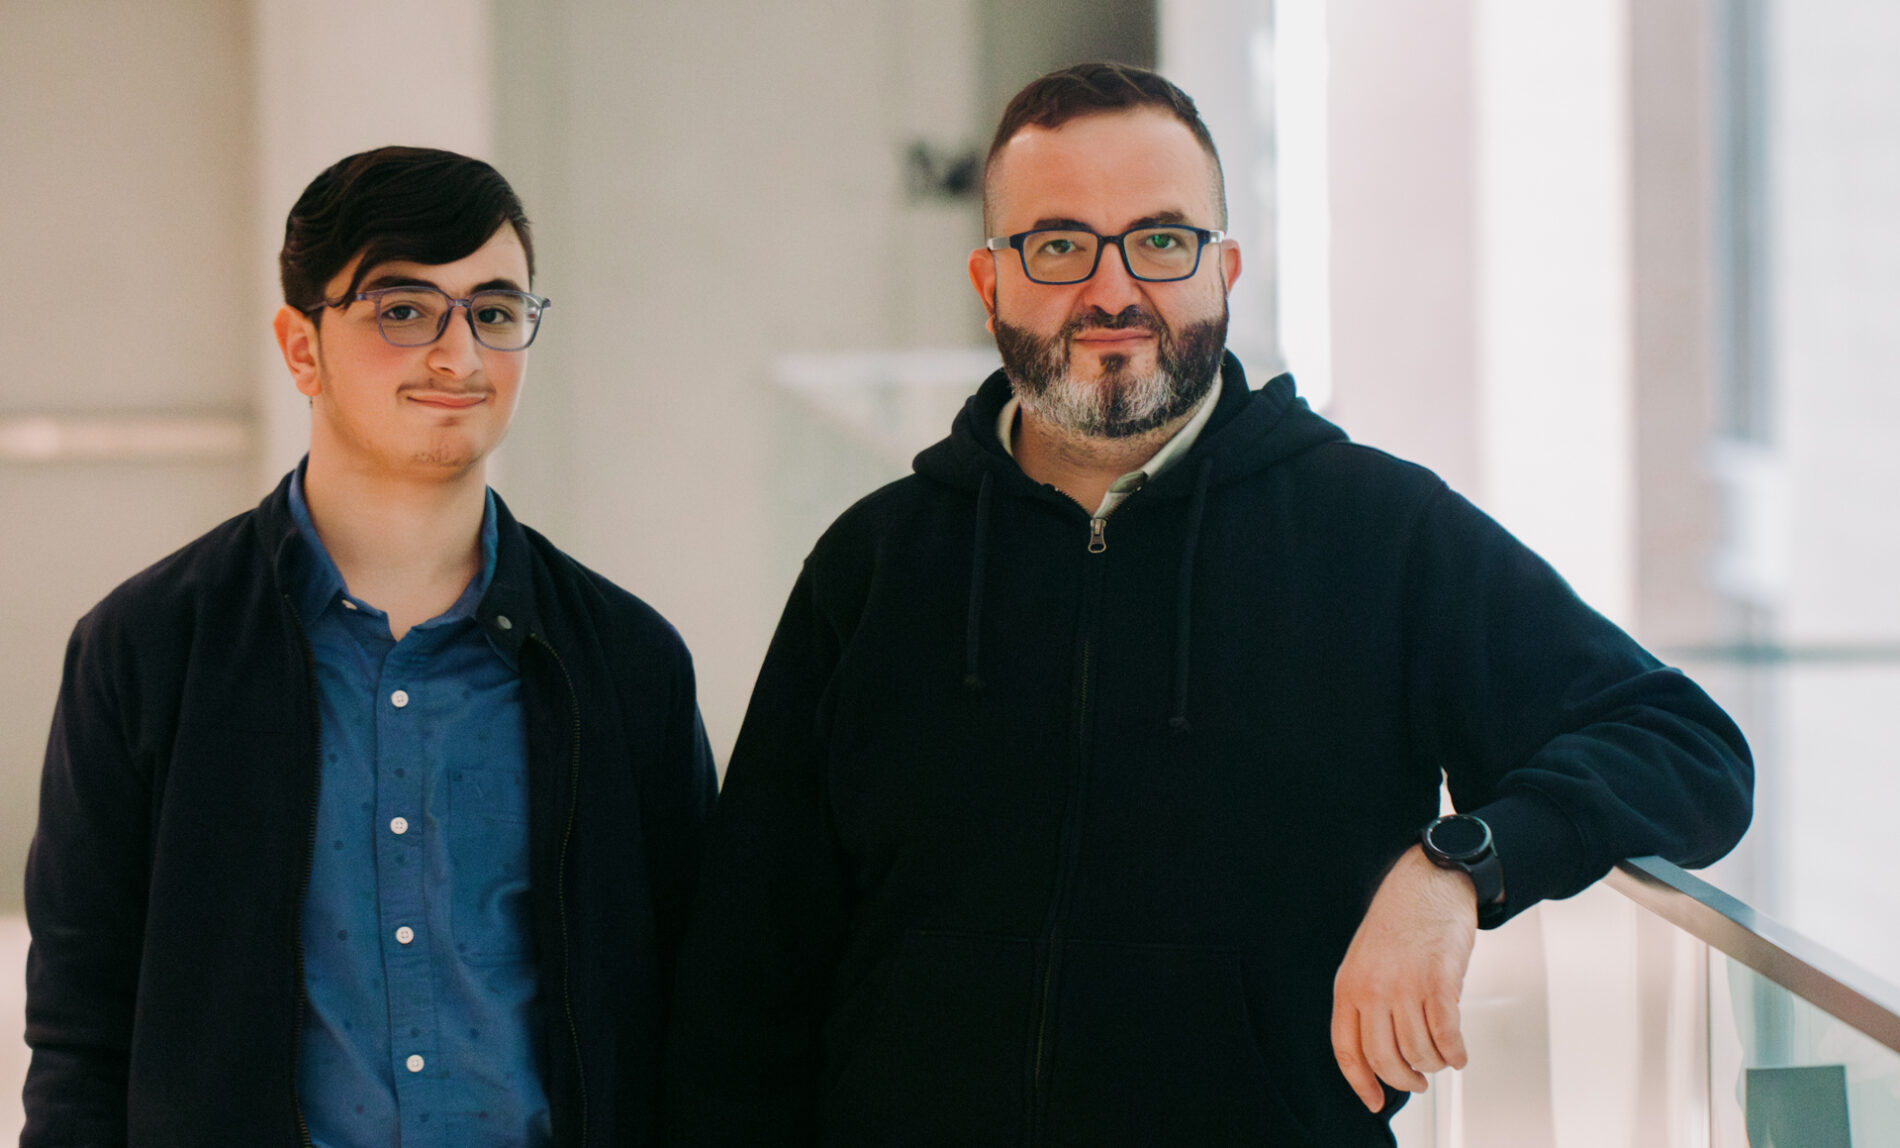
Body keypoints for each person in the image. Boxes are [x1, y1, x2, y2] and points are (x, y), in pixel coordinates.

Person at [663, 63, 1753, 1145]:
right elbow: (748, 974)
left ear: (1223, 268)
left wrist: (1454, 866)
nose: (1111, 290)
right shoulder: (873, 564)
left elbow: (1684, 745)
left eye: (1161, 238)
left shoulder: (1378, 532)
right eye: (1057, 244)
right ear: (988, 279)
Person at [24, 146, 716, 1146]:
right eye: (403, 309)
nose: (459, 356)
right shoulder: (147, 650)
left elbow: (697, 1010)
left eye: (492, 310)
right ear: (301, 347)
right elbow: (81, 1034)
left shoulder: (626, 659)